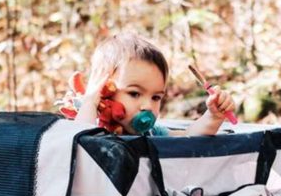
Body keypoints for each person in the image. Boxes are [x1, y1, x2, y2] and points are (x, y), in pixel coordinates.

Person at [72, 32, 235, 136]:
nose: (148, 106)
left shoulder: (151, 132)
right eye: (134, 93)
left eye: (156, 97)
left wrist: (213, 116)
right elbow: (75, 144)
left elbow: (189, 137)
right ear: (105, 90)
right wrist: (90, 102)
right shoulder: (91, 124)